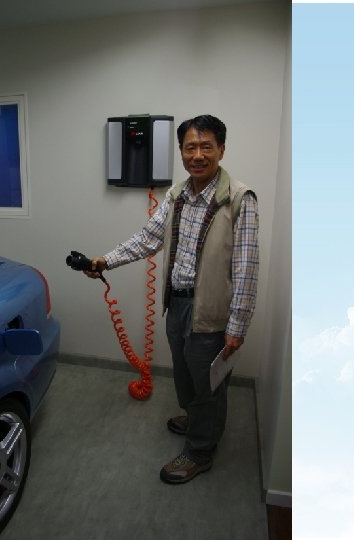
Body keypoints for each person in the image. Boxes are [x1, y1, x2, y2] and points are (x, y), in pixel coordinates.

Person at [84, 114, 259, 484]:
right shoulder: (177, 195)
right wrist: (106, 261)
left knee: (208, 384)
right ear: (181, 152)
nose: (198, 155)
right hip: (177, 305)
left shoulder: (240, 199)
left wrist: (237, 327)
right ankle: (197, 421)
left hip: (210, 311)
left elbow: (246, 268)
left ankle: (200, 451)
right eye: (190, 147)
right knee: (185, 374)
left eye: (206, 146)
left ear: (222, 149)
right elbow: (148, 237)